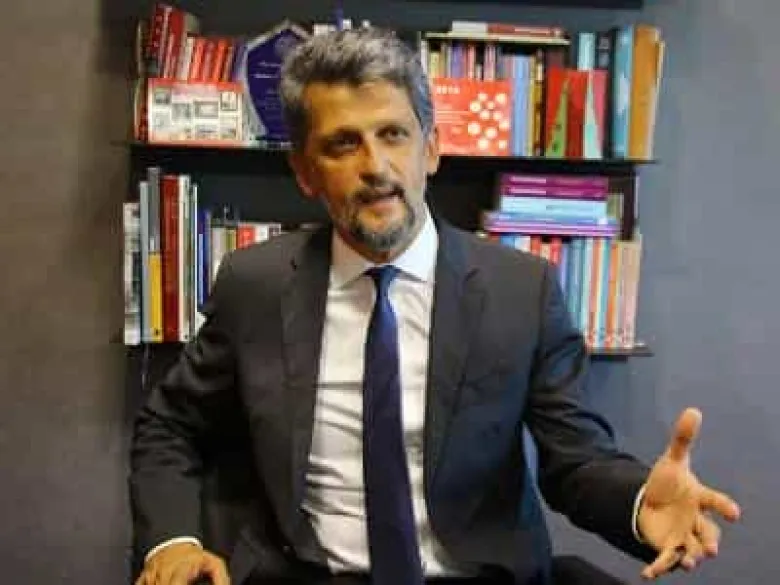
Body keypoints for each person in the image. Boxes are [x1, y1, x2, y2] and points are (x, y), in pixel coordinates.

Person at [130, 27, 741, 585]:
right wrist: (173, 543)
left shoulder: (521, 291)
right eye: (343, 144)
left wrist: (638, 502)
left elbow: (575, 460)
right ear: (304, 172)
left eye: (393, 135)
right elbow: (171, 425)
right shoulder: (255, 285)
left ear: (433, 149)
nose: (376, 167)